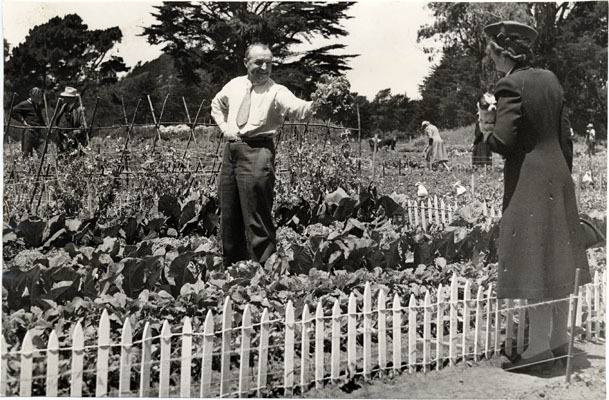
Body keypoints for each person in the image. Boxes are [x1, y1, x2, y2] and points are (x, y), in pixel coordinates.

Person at [481, 21, 590, 371]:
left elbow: (504, 142)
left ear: (503, 53)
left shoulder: (509, 85)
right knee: (556, 260)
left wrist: (486, 125)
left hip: (530, 180)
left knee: (534, 263)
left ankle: (537, 350)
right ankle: (558, 340)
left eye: (491, 52)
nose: (489, 57)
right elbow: (566, 138)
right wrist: (560, 175)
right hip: (557, 177)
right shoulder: (550, 80)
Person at [211, 43, 315, 267]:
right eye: (259, 62)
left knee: (257, 218)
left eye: (269, 63)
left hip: (257, 152)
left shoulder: (277, 91)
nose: (265, 67)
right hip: (231, 152)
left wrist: (318, 105)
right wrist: (225, 129)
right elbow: (216, 105)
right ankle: (234, 271)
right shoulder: (234, 85)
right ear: (246, 62)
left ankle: (265, 274)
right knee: (229, 217)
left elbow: (299, 108)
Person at [12, 87, 46, 156]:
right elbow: (13, 112)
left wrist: (45, 126)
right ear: (32, 96)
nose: (39, 99)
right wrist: (23, 122)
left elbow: (40, 117)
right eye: (37, 98)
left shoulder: (37, 105)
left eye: (40, 97)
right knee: (26, 153)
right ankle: (27, 166)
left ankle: (42, 166)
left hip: (38, 132)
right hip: (29, 131)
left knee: (42, 153)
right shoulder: (24, 104)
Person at [54, 86, 87, 154]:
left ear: (71, 98)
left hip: (76, 141)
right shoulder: (63, 107)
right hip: (62, 139)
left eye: (65, 97)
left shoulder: (80, 109)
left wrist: (72, 134)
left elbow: (83, 127)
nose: (63, 98)